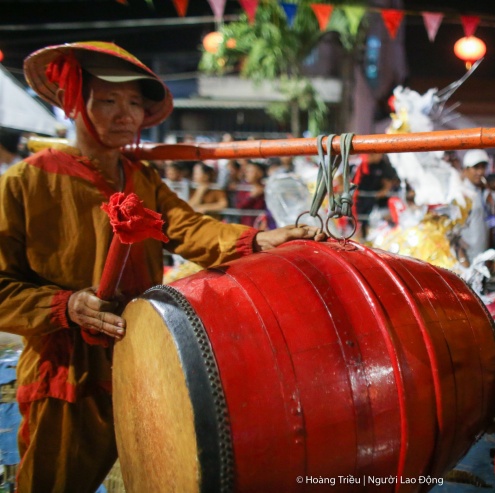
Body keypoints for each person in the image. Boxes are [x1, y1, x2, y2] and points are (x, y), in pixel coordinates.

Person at [0, 41, 324, 493]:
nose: (125, 114)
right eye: (108, 100)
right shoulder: (26, 181)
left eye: (134, 102)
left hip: (139, 356)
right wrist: (68, 305)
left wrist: (257, 239)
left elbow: (188, 227)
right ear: (74, 99)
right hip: (66, 370)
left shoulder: (141, 178)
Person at [459, 149, 491, 265]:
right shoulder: (461, 194)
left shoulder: (483, 192)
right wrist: (464, 261)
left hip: (482, 259)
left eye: (483, 167)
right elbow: (452, 233)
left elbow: (489, 223)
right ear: (466, 169)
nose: (480, 172)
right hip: (469, 262)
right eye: (476, 167)